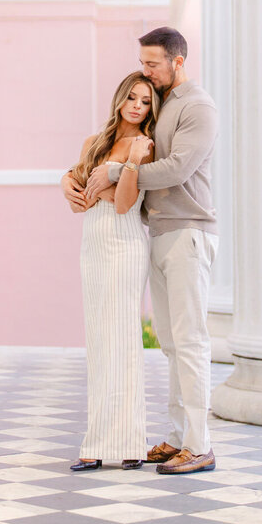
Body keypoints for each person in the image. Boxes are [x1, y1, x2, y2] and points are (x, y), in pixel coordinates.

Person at [63, 27, 219, 475]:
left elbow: (176, 168)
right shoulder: (165, 104)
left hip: (189, 231)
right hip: (159, 233)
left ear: (178, 61)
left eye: (152, 63)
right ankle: (176, 437)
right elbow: (96, 162)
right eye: (143, 64)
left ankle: (200, 444)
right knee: (171, 342)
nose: (145, 71)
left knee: (189, 341)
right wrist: (74, 177)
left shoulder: (197, 107)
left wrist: (116, 170)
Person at [68, 71, 160, 472]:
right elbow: (78, 203)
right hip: (93, 242)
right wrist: (67, 183)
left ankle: (129, 444)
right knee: (99, 340)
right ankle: (96, 442)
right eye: (133, 98)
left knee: (122, 341)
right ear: (120, 99)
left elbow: (123, 204)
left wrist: (125, 169)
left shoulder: (144, 145)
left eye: (145, 102)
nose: (137, 107)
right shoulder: (95, 142)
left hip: (124, 243)